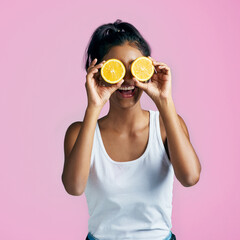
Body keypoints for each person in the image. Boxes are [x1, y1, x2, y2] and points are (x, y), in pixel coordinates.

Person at [62, 19, 201, 240]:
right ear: (98, 73)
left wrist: (165, 101)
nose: (127, 80)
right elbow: (74, 186)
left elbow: (190, 177)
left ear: (147, 69)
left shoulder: (166, 125)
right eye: (115, 69)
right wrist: (93, 106)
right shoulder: (80, 133)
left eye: (134, 68)